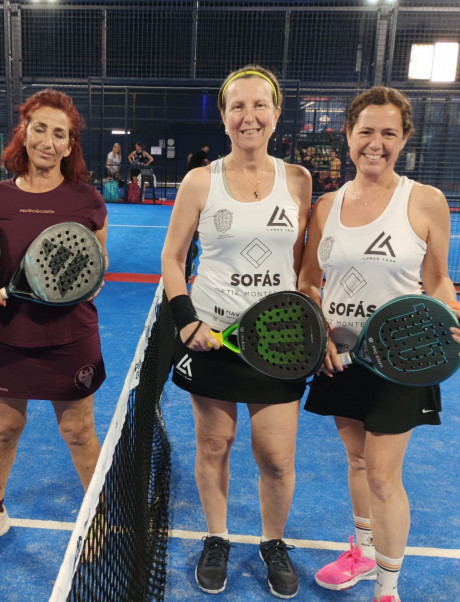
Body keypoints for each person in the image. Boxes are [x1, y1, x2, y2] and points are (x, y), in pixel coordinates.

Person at [297, 87, 460, 602]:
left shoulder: (426, 201)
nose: (375, 143)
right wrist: (318, 329)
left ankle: (387, 588)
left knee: (382, 474)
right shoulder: (325, 206)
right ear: (348, 135)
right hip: (340, 358)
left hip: (402, 360)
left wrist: (456, 313)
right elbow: (309, 280)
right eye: (366, 132)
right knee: (357, 462)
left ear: (405, 139)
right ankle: (361, 553)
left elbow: (437, 279)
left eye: (388, 133)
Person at [161, 65, 312, 598]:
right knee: (214, 444)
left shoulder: (299, 180)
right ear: (224, 118)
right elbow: (173, 259)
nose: (249, 116)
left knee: (277, 458)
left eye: (259, 105)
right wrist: (187, 322)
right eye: (237, 107)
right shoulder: (200, 181)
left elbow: (301, 265)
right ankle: (217, 537)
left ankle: (273, 542)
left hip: (279, 343)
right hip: (212, 339)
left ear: (276, 114)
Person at [0, 89, 109, 561]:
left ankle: (97, 517)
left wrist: (91, 280)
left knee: (79, 433)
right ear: (24, 134)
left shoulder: (87, 199)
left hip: (70, 338)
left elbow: (96, 263)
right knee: (5, 429)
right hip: (7, 337)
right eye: (40, 129)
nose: (48, 141)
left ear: (70, 146)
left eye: (59, 134)